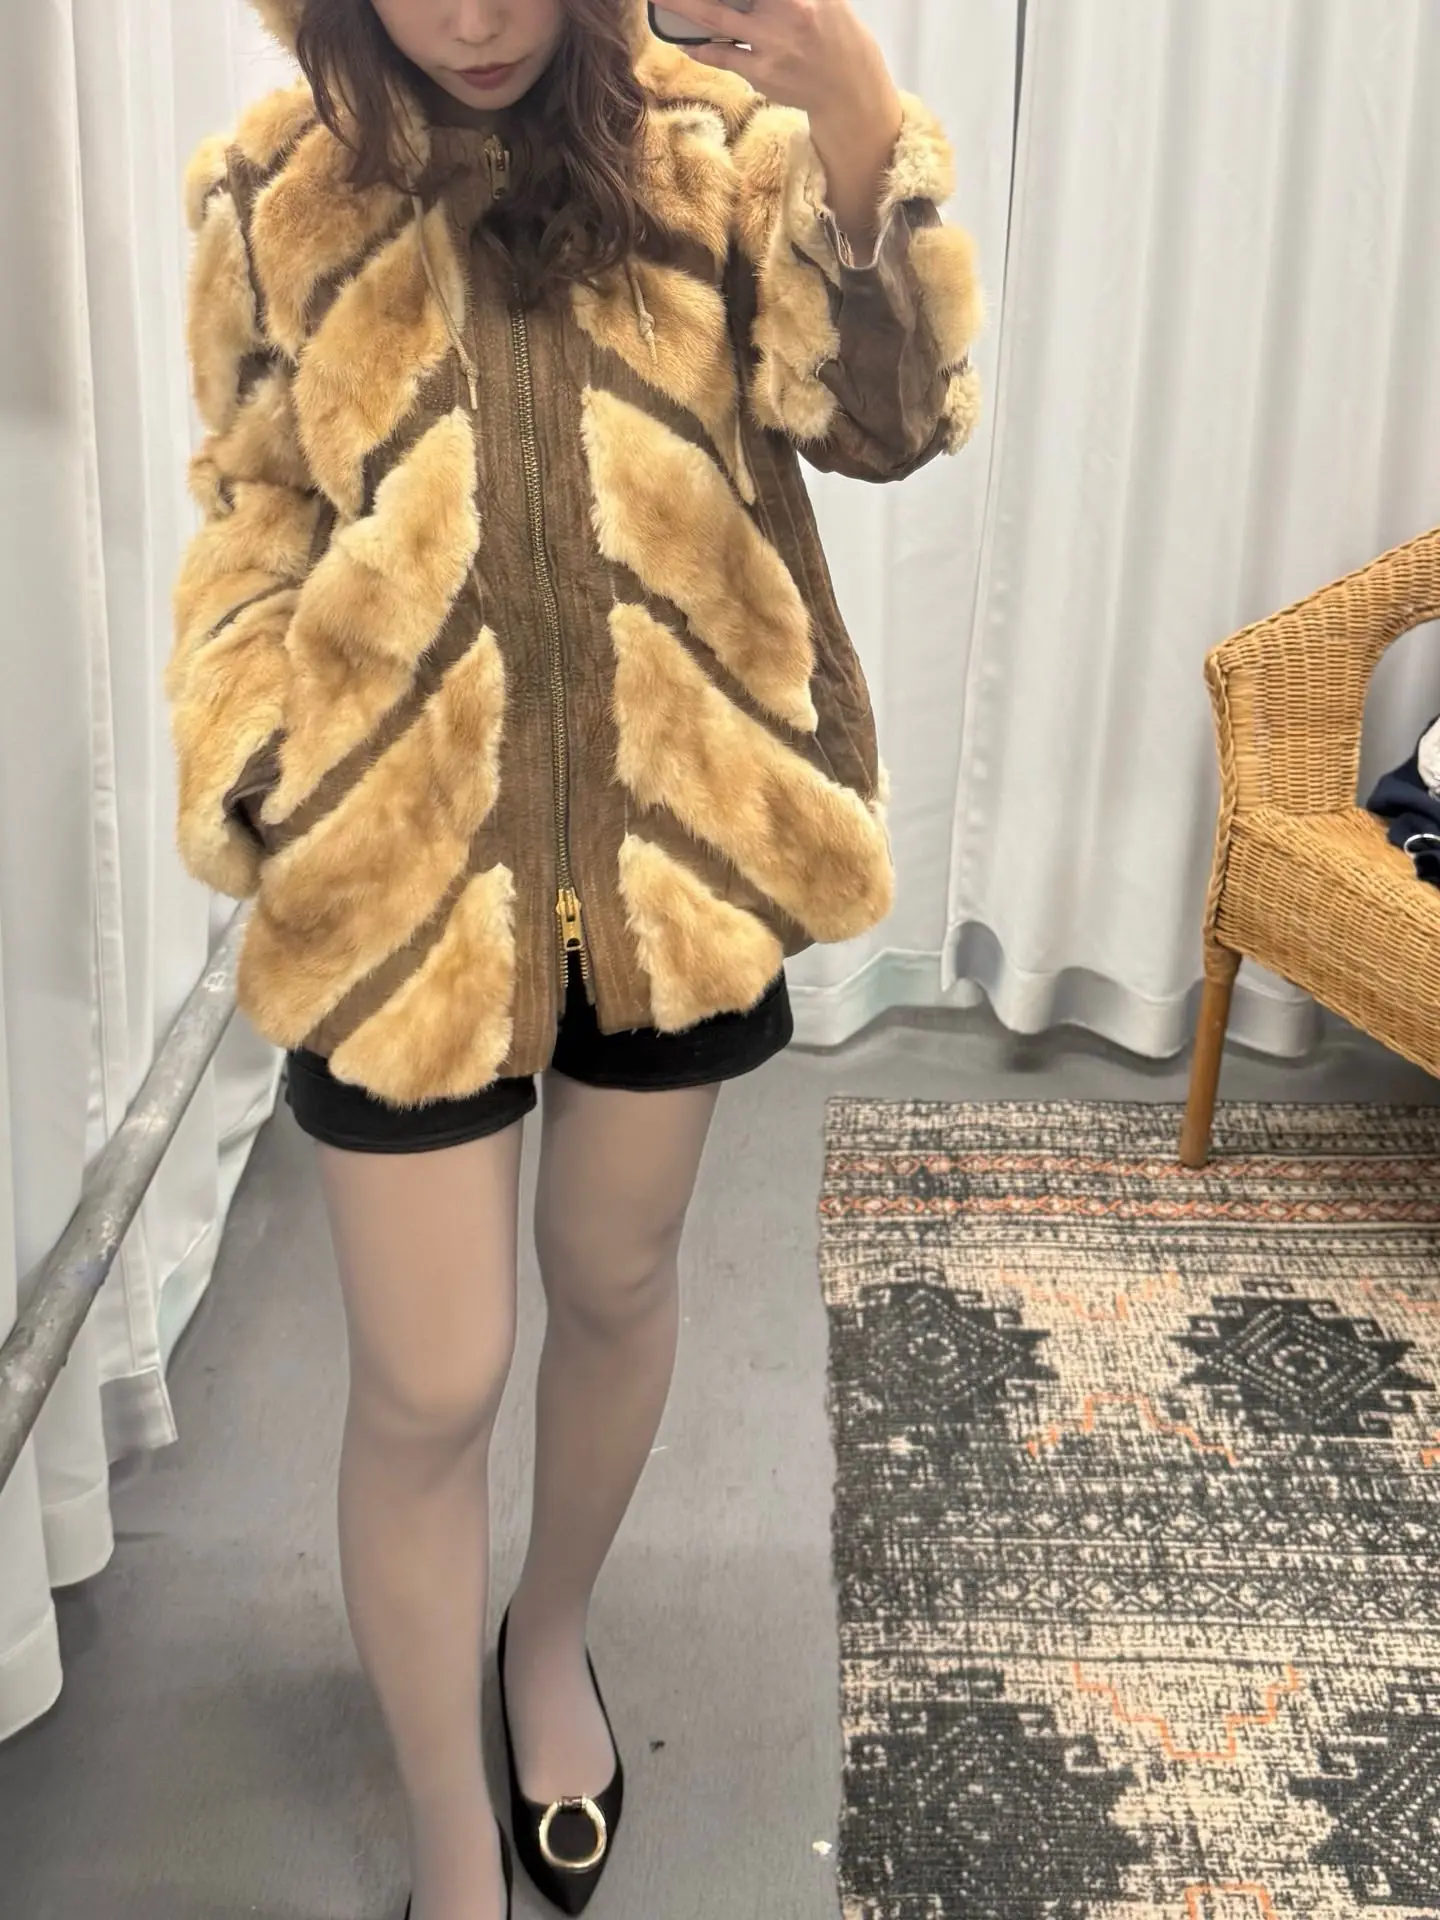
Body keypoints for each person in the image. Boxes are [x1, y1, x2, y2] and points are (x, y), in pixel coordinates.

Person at [168, 1, 981, 1914]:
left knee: (614, 1286)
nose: (470, 18)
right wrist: (267, 757)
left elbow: (883, 425)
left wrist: (862, 131)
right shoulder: (274, 190)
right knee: (431, 1381)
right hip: (401, 882)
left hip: (673, 851)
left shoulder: (716, 152)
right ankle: (453, 1841)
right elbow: (255, 507)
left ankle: (548, 1636)